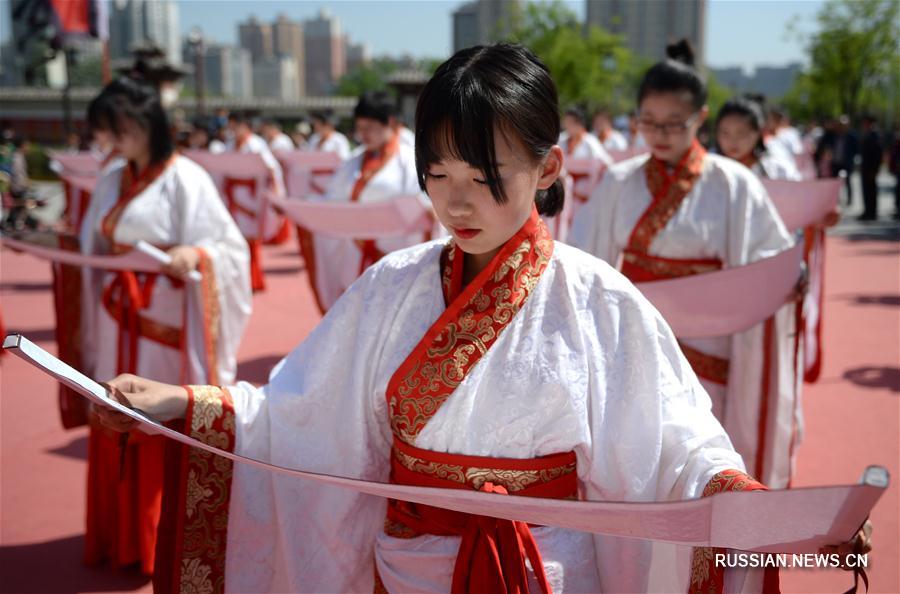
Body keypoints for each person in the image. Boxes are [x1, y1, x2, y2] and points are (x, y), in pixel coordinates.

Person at [88, 43, 876, 594]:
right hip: (408, 569)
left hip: (548, 570)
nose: (456, 202)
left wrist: (750, 504)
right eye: (438, 175)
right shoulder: (389, 287)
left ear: (549, 169)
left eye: (485, 178)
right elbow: (303, 415)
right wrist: (186, 405)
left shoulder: (598, 298)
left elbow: (670, 447)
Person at [570, 40, 801, 493]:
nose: (660, 134)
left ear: (701, 117)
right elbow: (586, 264)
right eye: (649, 122)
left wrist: (788, 279)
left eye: (675, 124)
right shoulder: (619, 181)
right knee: (636, 461)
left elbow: (767, 263)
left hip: (711, 346)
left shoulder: (734, 183)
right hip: (635, 343)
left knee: (703, 457)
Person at [78, 77, 252, 575]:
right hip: (117, 319)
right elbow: (93, 242)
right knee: (114, 412)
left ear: (147, 124)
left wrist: (194, 253)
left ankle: (156, 541)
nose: (112, 140)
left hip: (163, 325)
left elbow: (230, 249)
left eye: (120, 129)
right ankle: (120, 540)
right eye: (107, 130)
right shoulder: (112, 177)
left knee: (150, 416)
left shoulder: (186, 178)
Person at [298, 91, 428, 312]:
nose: (362, 134)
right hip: (354, 256)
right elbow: (333, 202)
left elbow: (423, 206)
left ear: (389, 123)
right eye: (359, 128)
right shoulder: (352, 161)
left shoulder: (411, 160)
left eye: (369, 128)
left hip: (395, 258)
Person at [226, 110, 289, 287]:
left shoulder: (256, 144)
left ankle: (253, 279)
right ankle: (238, 278)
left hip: (251, 194)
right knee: (233, 237)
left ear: (245, 126)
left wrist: (273, 192)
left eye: (236, 125)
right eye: (231, 125)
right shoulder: (230, 144)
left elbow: (271, 168)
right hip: (233, 193)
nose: (233, 129)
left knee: (250, 238)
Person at [715, 96, 801, 180]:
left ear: (758, 132)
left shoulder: (778, 169)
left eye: (741, 134)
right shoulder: (708, 169)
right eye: (725, 133)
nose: (733, 141)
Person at [858, 115, 884, 221]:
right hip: (865, 167)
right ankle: (867, 211)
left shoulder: (874, 135)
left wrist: (875, 169)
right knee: (866, 190)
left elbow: (877, 154)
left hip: (871, 168)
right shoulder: (867, 134)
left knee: (871, 190)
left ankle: (871, 212)